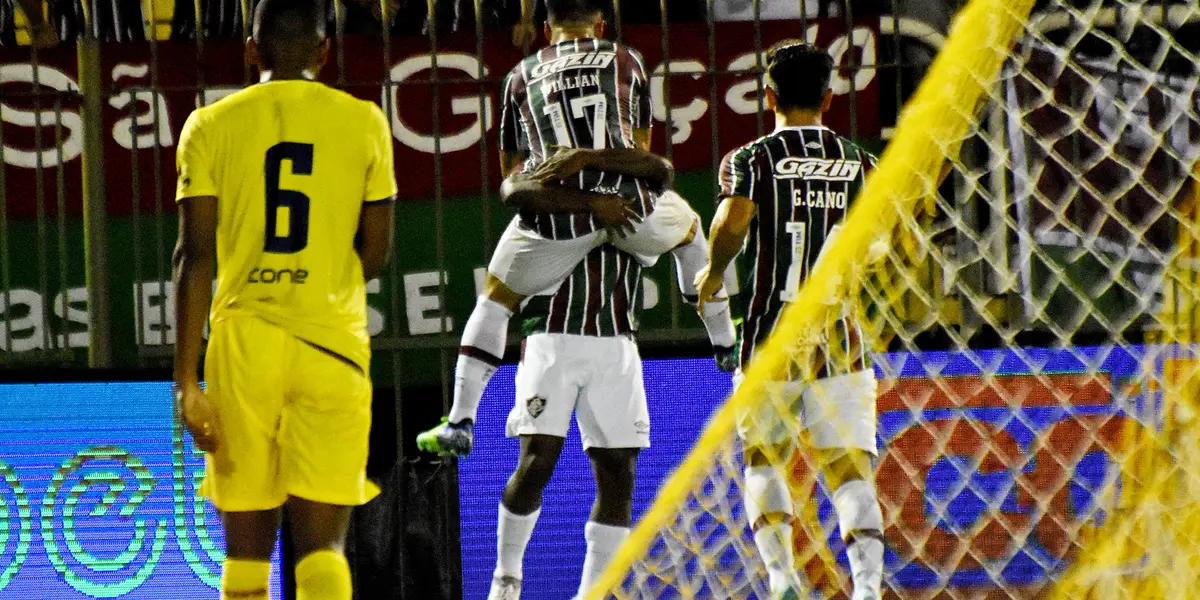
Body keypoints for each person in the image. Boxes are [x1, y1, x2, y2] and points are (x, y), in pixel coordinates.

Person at [416, 0, 736, 457]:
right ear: (601, 25)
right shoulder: (626, 58)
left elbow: (513, 173)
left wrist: (578, 187)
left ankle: (460, 421)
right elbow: (642, 152)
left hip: (557, 218)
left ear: (546, 30)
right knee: (690, 234)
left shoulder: (519, 76)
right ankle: (724, 343)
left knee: (495, 300)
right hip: (631, 209)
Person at [172, 1, 396, 599]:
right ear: (324, 53)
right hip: (333, 342)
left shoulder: (209, 124)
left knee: (246, 556)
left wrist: (186, 383)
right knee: (323, 550)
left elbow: (194, 256)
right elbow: (375, 253)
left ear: (251, 50)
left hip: (244, 347)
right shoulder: (364, 121)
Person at [694, 41, 885, 600]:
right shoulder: (863, 164)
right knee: (850, 474)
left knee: (763, 461)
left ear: (769, 96)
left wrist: (713, 272)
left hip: (768, 343)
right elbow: (877, 246)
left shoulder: (750, 159)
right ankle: (868, 590)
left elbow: (733, 220)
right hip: (840, 343)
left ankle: (781, 578)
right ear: (829, 97)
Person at [484, 159, 653, 600]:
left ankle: (593, 591)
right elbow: (513, 188)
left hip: (616, 339)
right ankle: (506, 577)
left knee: (619, 472)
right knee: (537, 462)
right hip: (551, 336)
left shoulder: (639, 185)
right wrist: (591, 200)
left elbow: (666, 185)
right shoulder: (546, 184)